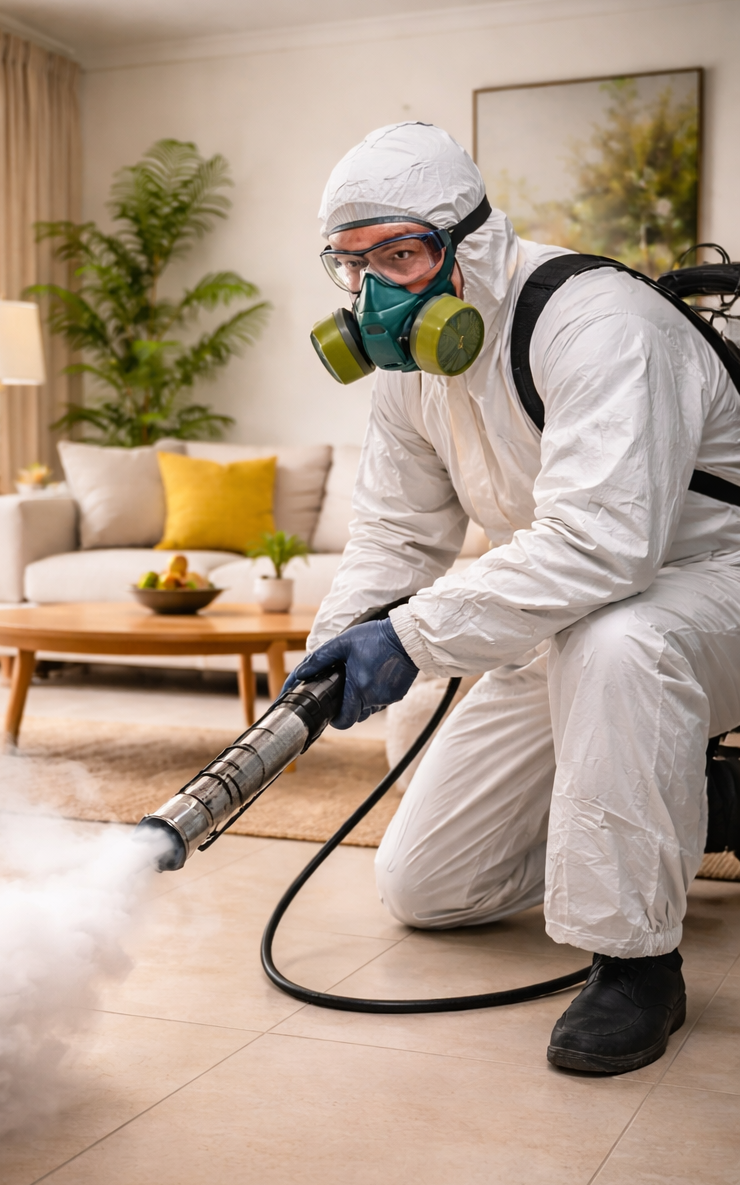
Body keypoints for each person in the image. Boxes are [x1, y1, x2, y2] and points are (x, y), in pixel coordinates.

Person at [290, 122, 740, 1075]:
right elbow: (398, 534)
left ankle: (635, 965)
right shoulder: (414, 372)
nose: (378, 294)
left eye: (402, 255)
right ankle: (704, 798)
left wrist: (413, 638)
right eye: (353, 264)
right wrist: (333, 651)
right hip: (579, 608)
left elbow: (601, 546)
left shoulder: (600, 324)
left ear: (471, 244)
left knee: (622, 642)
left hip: (711, 588)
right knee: (428, 886)